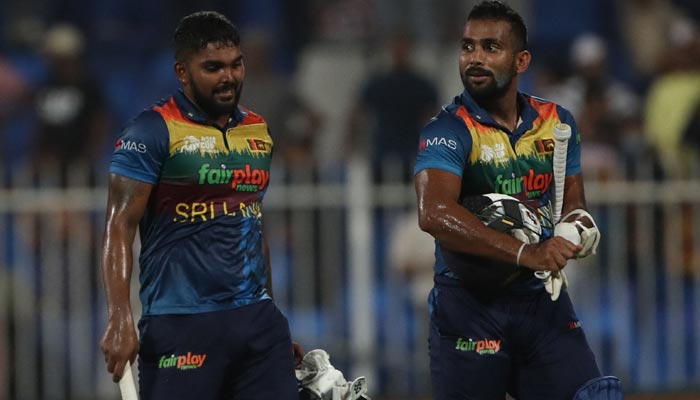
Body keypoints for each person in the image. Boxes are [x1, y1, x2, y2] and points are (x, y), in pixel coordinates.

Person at [413, 2, 622, 399]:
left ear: (521, 59)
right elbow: (434, 214)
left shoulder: (557, 122)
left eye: (491, 47)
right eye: (468, 46)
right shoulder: (447, 129)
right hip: (469, 309)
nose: (475, 58)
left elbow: (573, 204)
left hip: (542, 303)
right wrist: (529, 253)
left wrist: (578, 229)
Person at [99, 11, 303, 399]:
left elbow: (251, 221)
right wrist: (120, 315)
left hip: (257, 324)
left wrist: (272, 316)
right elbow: (118, 226)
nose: (229, 77)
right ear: (182, 72)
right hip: (181, 323)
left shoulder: (256, 130)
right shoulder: (151, 130)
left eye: (235, 64)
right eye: (213, 68)